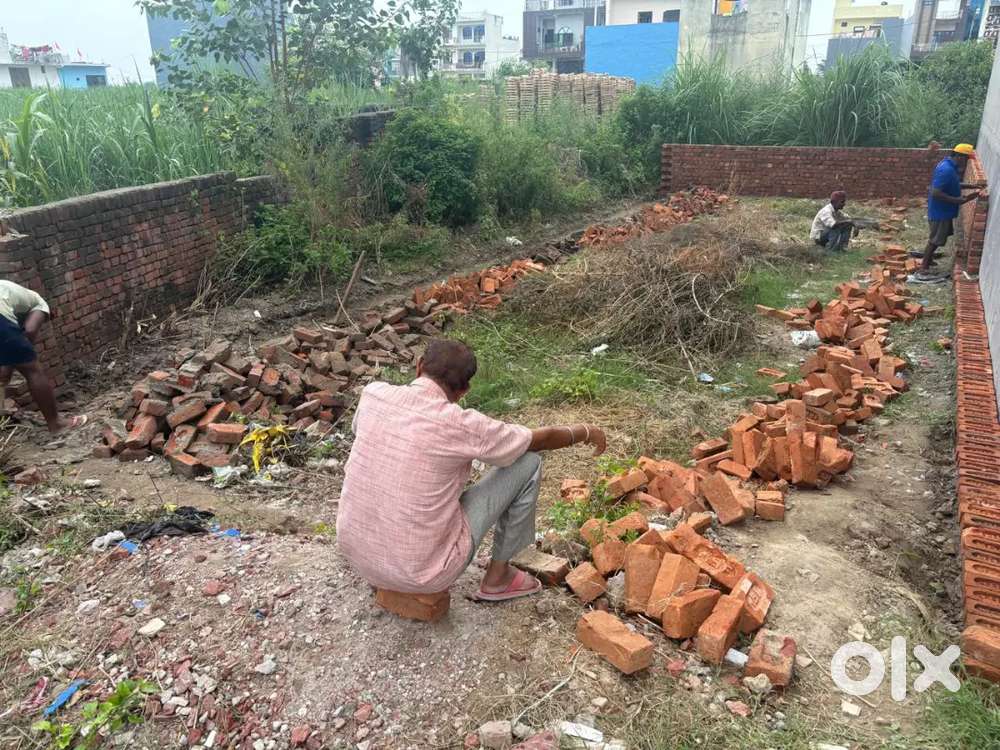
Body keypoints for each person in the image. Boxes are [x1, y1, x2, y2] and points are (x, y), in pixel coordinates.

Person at [336, 338, 607, 602]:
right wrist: (585, 431)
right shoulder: (462, 424)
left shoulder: (374, 394)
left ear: (419, 365)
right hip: (422, 573)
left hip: (356, 554)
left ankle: (382, 565)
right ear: (464, 390)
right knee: (528, 462)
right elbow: (539, 439)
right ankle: (498, 578)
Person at [0, 280, 87, 433]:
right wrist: (18, 359)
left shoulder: (14, 296)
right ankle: (56, 423)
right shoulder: (41, 305)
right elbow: (29, 331)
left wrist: (6, 369)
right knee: (32, 370)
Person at [915, 143, 982, 281]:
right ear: (960, 157)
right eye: (967, 159)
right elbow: (935, 192)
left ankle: (929, 260)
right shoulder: (946, 170)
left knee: (938, 237)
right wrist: (957, 200)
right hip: (940, 212)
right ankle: (923, 269)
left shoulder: (948, 165)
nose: (967, 163)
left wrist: (972, 186)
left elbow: (954, 184)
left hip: (942, 211)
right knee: (935, 241)